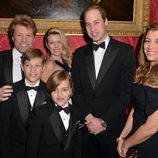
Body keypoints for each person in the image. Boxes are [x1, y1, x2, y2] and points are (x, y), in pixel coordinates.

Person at [71, 4, 136, 158]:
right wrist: (89, 117)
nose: (92, 28)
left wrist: (103, 121)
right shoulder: (79, 54)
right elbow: (75, 90)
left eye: (96, 22)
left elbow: (126, 94)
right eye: (88, 24)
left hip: (113, 128)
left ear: (106, 21)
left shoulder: (125, 52)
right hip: (85, 128)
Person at [117, 22, 158, 158]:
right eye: (147, 41)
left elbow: (152, 127)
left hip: (151, 144)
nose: (150, 47)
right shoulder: (144, 70)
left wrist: (127, 144)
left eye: (157, 42)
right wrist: (122, 138)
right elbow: (137, 108)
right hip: (136, 139)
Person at [0, 48, 47, 158]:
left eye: (37, 66)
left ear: (43, 68)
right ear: (22, 67)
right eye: (28, 65)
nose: (32, 70)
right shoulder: (9, 91)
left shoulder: (50, 92)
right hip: (15, 153)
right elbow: (4, 131)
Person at [26, 70, 83, 158]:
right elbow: (32, 147)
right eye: (55, 90)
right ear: (49, 92)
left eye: (64, 89)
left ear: (71, 91)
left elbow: (78, 146)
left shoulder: (77, 112)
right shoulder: (40, 113)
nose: (59, 94)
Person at [0, 14, 37, 102]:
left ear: (34, 38)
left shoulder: (41, 61)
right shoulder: (1, 58)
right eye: (19, 35)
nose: (24, 40)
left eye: (28, 35)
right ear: (12, 37)